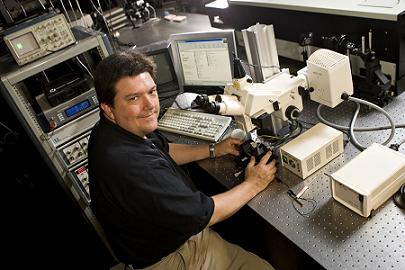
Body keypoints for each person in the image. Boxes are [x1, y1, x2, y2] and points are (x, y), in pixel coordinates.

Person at [88, 50, 277, 269]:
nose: (149, 105)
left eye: (151, 92)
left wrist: (214, 149)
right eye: (133, 98)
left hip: (170, 237)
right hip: (174, 259)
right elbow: (204, 215)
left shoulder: (112, 128)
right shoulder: (130, 165)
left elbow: (164, 149)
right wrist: (255, 183)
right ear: (109, 109)